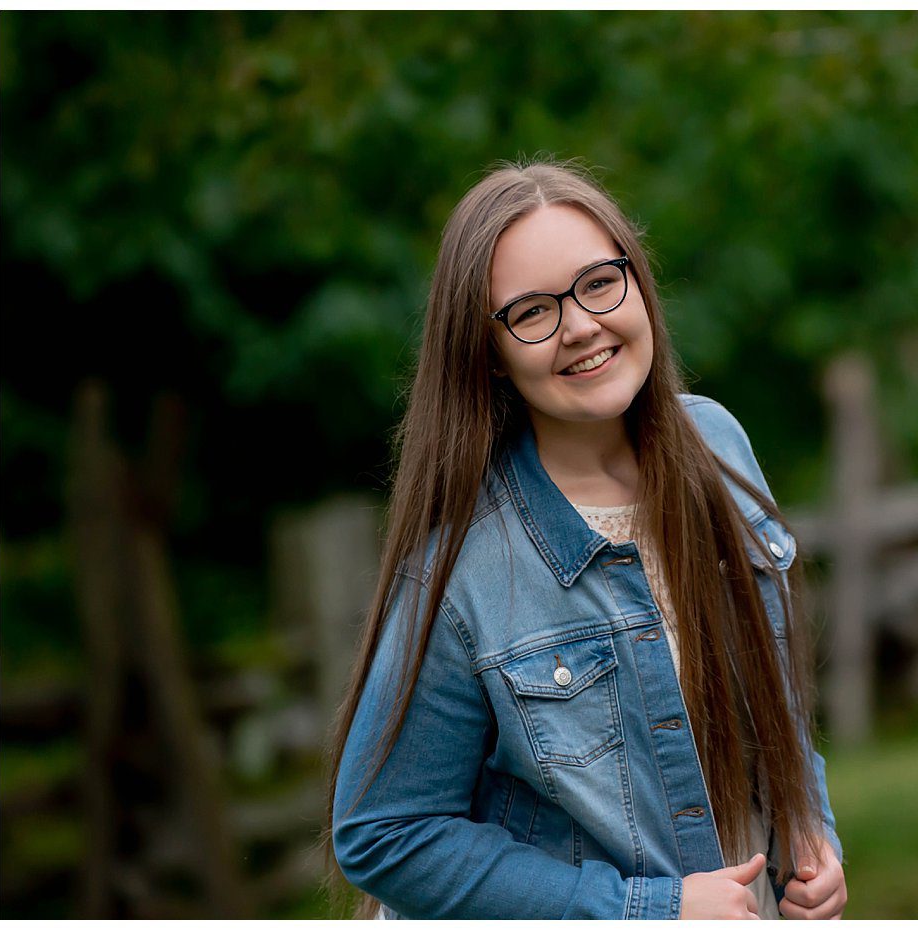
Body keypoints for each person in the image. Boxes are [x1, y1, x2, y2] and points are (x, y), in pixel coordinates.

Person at [325, 160, 848, 919]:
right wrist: (650, 911)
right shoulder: (466, 568)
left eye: (599, 282)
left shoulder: (719, 443)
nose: (580, 325)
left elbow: (774, 703)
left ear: (637, 282)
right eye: (532, 313)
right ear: (490, 354)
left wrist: (811, 831)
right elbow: (384, 835)